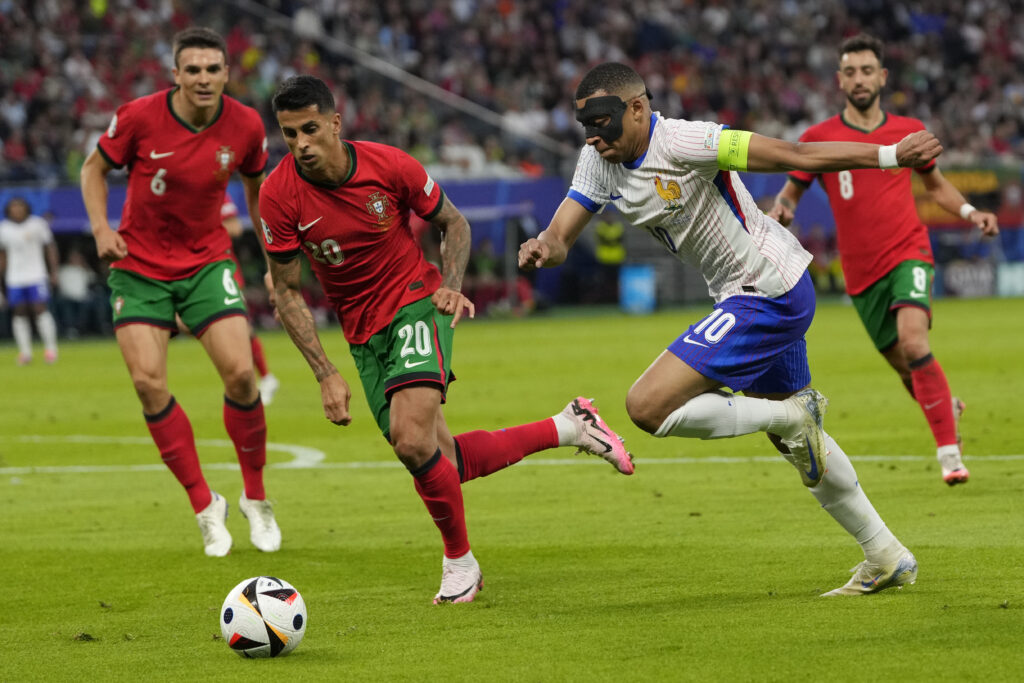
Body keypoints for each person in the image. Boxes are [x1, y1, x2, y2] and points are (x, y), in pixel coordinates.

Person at [518, 62, 942, 597]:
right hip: (752, 294)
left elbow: (795, 155)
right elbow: (558, 238)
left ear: (637, 108)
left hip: (766, 290)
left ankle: (795, 415)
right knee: (800, 446)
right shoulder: (598, 162)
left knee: (648, 406)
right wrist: (542, 246)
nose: (595, 137)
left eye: (603, 123)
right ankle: (885, 554)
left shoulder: (690, 142)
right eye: (586, 127)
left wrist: (889, 156)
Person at [258, 75, 633, 604]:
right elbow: (287, 290)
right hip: (363, 333)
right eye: (289, 134)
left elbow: (453, 224)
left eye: (310, 129)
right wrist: (325, 372)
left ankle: (460, 563)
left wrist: (452, 288)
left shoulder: (389, 165)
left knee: (411, 439)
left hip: (416, 300)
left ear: (335, 124)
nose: (300, 144)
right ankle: (569, 426)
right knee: (441, 460)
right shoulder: (278, 194)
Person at [79, 27, 281, 557]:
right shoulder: (139, 117)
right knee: (148, 383)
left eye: (213, 69)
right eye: (192, 69)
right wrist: (101, 227)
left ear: (225, 73)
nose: (203, 78)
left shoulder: (245, 124)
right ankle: (204, 504)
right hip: (138, 264)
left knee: (241, 373)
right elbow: (93, 168)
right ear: (175, 74)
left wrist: (273, 263)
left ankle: (255, 497)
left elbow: (258, 192)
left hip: (207, 261)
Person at [768, 34, 1000, 487]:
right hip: (861, 273)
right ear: (839, 80)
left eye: (867, 70)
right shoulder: (819, 138)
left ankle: (949, 453)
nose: (859, 79)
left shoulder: (908, 132)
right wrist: (783, 209)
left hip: (909, 251)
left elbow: (936, 186)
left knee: (915, 343)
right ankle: (943, 403)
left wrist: (972, 212)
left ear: (883, 77)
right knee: (904, 365)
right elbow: (791, 191)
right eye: (850, 72)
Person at [220, 192, 280, 405]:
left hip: (224, 271)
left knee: (241, 327)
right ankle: (254, 379)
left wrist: (206, 228)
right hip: (199, 271)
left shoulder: (219, 195)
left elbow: (235, 227)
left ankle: (264, 377)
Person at [0, 197, 60, 364]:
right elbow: (2, 256)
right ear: (8, 210)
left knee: (40, 308)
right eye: (14, 207)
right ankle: (25, 352)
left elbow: (50, 248)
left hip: (36, 274)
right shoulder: (4, 229)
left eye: (20, 206)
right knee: (19, 312)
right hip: (15, 277)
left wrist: (53, 271)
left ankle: (51, 349)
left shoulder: (38, 224)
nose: (17, 210)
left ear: (26, 208)